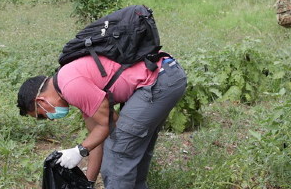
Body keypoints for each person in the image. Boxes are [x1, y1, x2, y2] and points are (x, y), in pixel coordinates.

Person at [17, 54, 187, 189]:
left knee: (117, 155)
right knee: (128, 150)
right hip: (166, 74)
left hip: (159, 79)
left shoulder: (71, 86)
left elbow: (105, 127)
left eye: (42, 114)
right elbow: (98, 138)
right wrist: (87, 183)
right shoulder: (70, 84)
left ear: (41, 100)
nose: (49, 118)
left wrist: (79, 150)